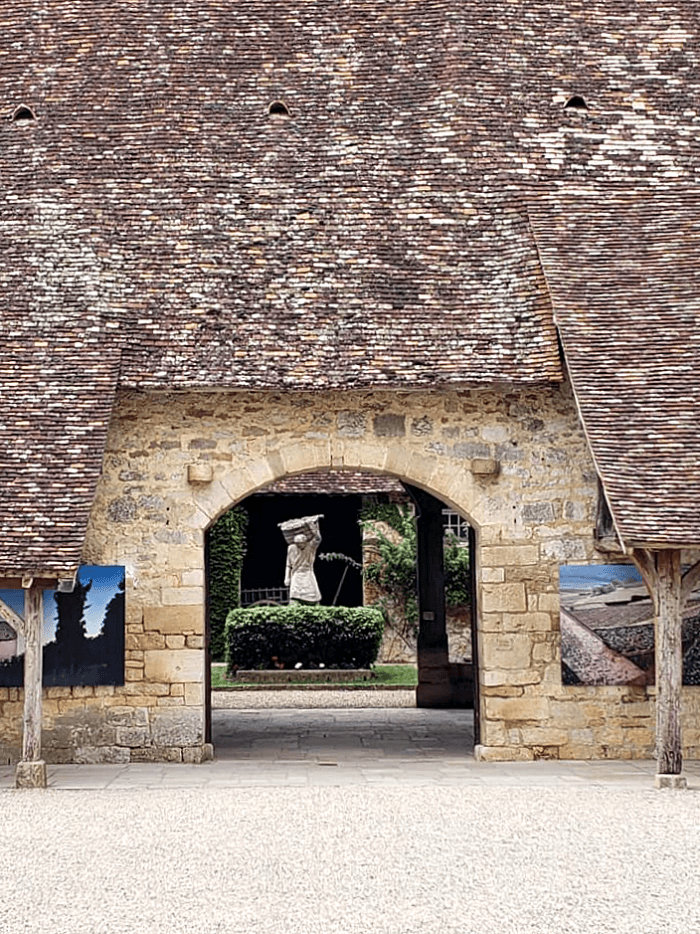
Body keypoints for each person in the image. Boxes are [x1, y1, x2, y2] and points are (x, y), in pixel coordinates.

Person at [284, 517, 322, 604]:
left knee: (313, 598)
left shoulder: (310, 546)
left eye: (301, 543)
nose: (299, 545)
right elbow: (288, 565)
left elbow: (318, 538)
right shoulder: (291, 548)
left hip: (308, 573)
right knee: (294, 598)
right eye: (297, 544)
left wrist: (313, 526)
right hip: (296, 574)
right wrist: (287, 577)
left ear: (305, 541)